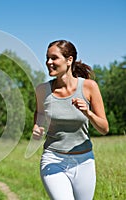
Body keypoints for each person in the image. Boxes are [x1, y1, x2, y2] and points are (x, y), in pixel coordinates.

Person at [32, 40, 109, 200]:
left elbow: (104, 129)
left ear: (69, 60)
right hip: (53, 159)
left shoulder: (89, 87)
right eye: (47, 58)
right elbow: (39, 116)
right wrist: (37, 128)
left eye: (54, 58)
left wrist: (88, 113)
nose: (48, 62)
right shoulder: (42, 90)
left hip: (84, 161)